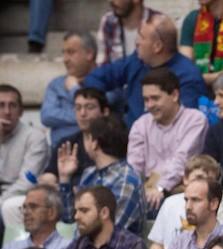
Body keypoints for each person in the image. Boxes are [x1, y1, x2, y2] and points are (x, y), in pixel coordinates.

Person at [83, 13, 207, 127]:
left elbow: (186, 124)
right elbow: (95, 78)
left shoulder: (188, 76)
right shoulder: (137, 61)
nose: (137, 42)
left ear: (157, 46)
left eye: (142, 37)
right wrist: (102, 106)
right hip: (126, 138)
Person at [127, 68, 209, 211]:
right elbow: (133, 167)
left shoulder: (195, 120)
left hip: (183, 191)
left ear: (174, 95)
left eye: (155, 98)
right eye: (146, 100)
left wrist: (160, 188)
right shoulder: (141, 124)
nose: (149, 105)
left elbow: (182, 160)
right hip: (147, 192)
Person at [56, 115, 146, 237]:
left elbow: (105, 233)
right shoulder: (89, 174)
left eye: (87, 137)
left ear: (95, 144)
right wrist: (65, 179)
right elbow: (69, 218)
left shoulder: (126, 181)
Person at [149, 154, 223, 249]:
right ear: (185, 179)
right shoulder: (170, 203)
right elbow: (157, 244)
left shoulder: (217, 205)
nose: (203, 183)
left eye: (210, 180)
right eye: (199, 178)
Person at [0, 185, 70, 249]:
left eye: (33, 206)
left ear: (52, 213)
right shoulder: (10, 248)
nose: (25, 212)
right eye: (24, 207)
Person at [40, 87, 110, 189]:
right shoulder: (67, 144)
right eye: (78, 108)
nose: (82, 114)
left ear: (105, 112)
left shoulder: (114, 142)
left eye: (90, 107)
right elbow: (50, 173)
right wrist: (48, 180)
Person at [0, 84, 49, 227]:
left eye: (12, 106)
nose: (7, 111)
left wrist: (1, 200)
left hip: (19, 196)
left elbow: (26, 182)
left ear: (21, 111)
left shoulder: (34, 138)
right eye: (1, 105)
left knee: (10, 206)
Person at [40, 31, 98, 148]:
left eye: (71, 52)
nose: (65, 59)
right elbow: (47, 116)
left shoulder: (107, 80)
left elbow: (105, 115)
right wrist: (88, 116)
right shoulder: (56, 84)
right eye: (64, 53)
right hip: (60, 153)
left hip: (95, 151)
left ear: (89, 54)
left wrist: (74, 91)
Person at [95, 0, 161, 66]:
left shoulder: (159, 23)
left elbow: (165, 67)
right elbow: (102, 65)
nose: (110, 1)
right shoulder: (108, 21)